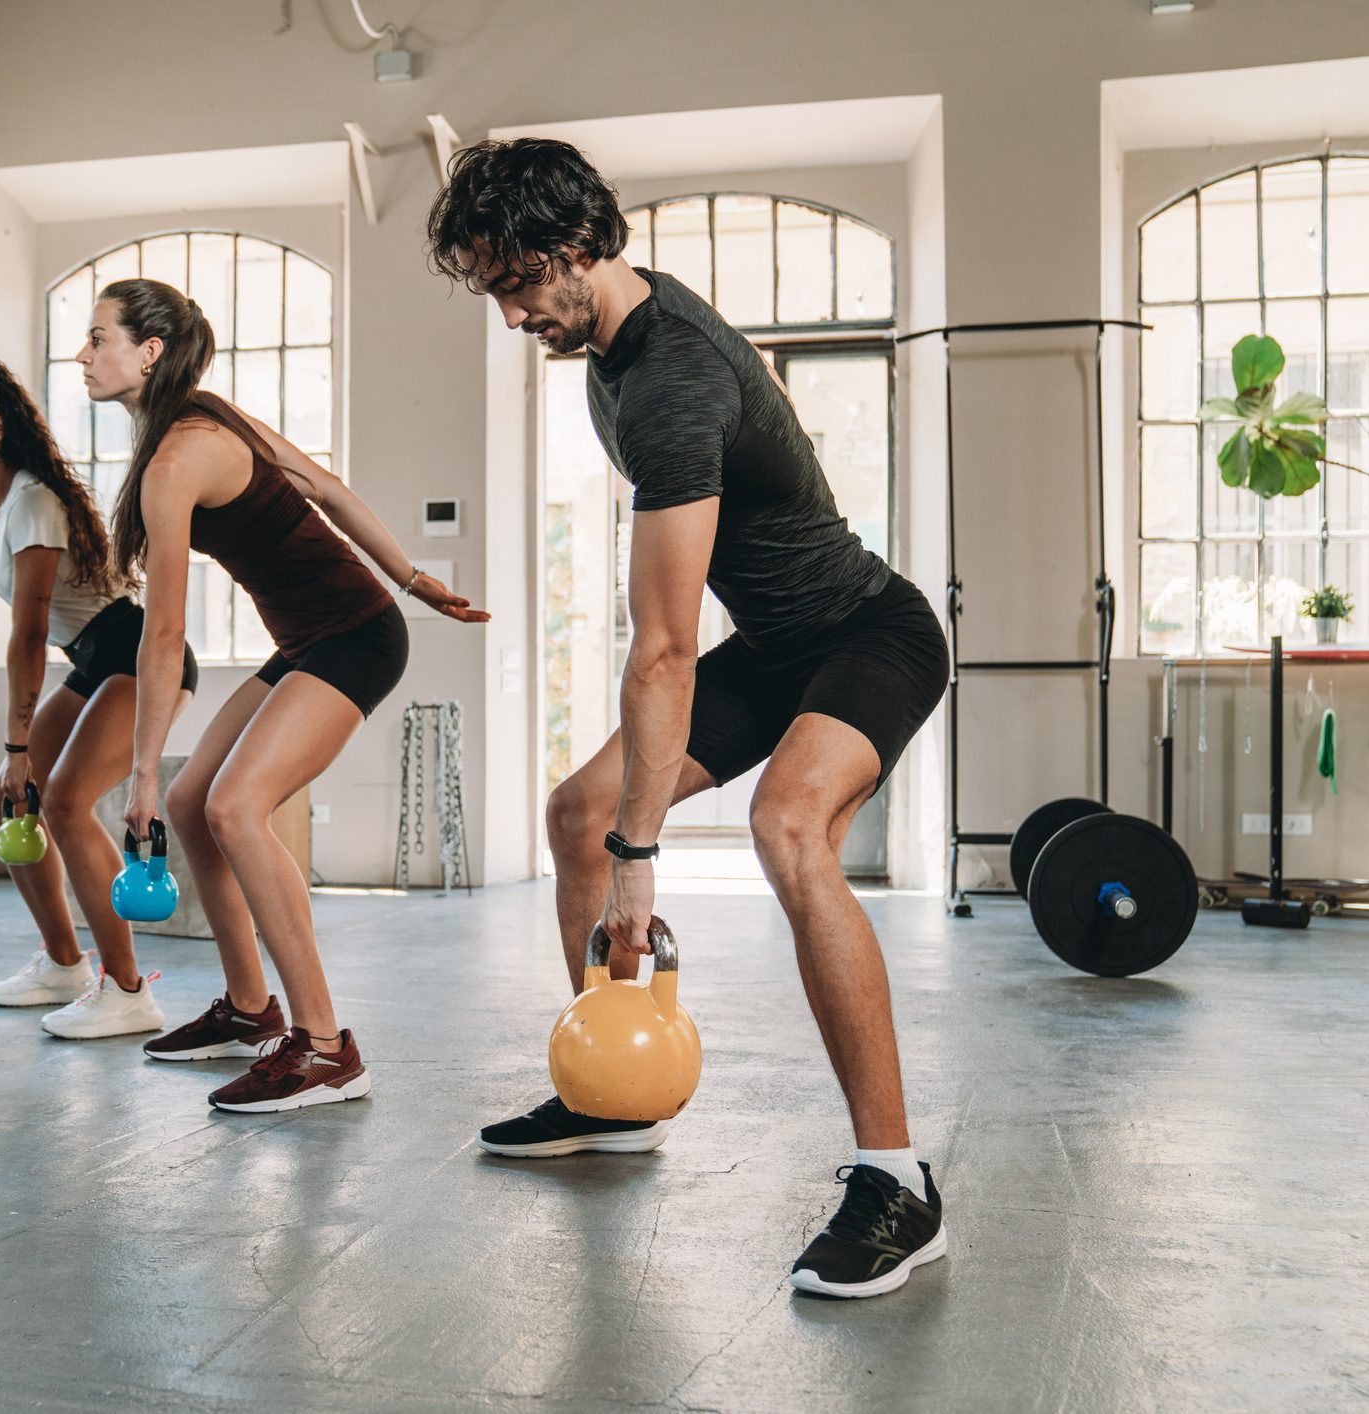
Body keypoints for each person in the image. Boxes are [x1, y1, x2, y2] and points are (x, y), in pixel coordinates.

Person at [427, 139, 950, 1299]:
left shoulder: (665, 381)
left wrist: (641, 860)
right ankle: (608, 1095)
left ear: (573, 249)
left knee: (786, 826)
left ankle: (896, 1180)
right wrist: (610, 835)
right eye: (493, 289)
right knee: (573, 814)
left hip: (871, 635)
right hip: (771, 650)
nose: (509, 312)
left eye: (515, 282)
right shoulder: (607, 344)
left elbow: (661, 650)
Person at [80, 277, 489, 1114]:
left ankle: (329, 1048)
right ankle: (249, 1010)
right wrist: (413, 577)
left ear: (148, 352)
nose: (83, 355)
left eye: (98, 339)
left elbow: (162, 637)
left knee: (231, 807)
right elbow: (328, 488)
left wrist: (141, 773)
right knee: (196, 805)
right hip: (311, 640)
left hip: (357, 638)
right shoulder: (206, 419)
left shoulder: (178, 456)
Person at [0, 358, 198, 1040]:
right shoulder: (8, 507)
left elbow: (26, 637)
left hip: (133, 655)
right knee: (3, 802)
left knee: (63, 802)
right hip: (93, 659)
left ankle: (129, 989)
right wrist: (16, 758)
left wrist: (18, 747)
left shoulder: (31, 502)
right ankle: (63, 964)